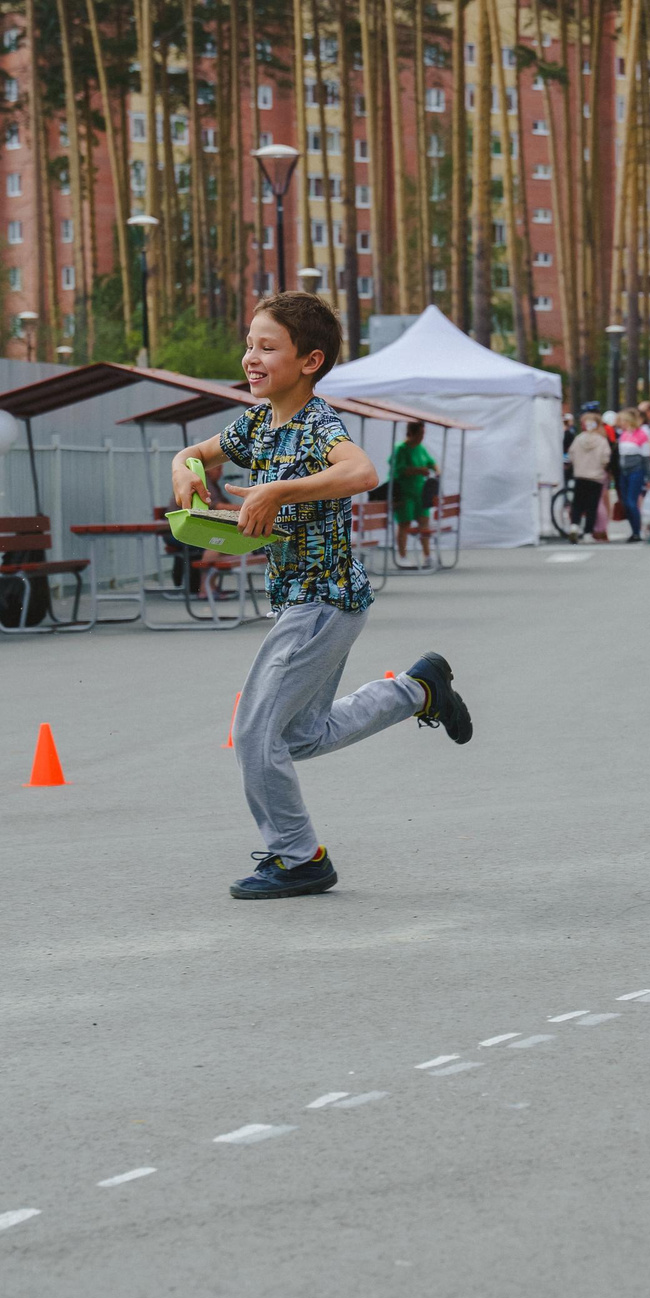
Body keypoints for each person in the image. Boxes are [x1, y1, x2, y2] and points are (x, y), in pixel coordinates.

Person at [168, 293, 473, 901]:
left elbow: (363, 473)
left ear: (309, 362)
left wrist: (278, 490)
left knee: (255, 733)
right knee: (299, 736)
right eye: (250, 344)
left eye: (267, 347)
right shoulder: (256, 424)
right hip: (305, 602)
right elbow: (195, 453)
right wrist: (185, 469)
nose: (251, 357)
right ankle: (417, 690)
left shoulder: (317, 423)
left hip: (321, 599)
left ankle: (299, 856)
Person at [389, 420, 438, 566]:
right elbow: (399, 470)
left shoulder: (420, 448)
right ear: (412, 433)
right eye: (420, 434)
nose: (422, 437)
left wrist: (437, 470)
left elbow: (430, 462)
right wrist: (419, 470)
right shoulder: (401, 448)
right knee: (405, 523)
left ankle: (427, 555)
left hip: (420, 492)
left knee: (424, 521)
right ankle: (402, 555)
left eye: (423, 434)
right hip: (404, 492)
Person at [567, 412, 612, 543]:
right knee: (592, 506)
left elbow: (571, 455)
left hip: (580, 475)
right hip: (596, 477)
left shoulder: (578, 439)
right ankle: (588, 532)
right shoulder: (602, 441)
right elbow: (605, 458)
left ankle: (574, 526)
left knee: (577, 504)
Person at [616, 408, 650, 542]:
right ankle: (633, 530)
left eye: (622, 420)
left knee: (631, 502)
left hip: (636, 471)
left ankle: (637, 531)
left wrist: (648, 478)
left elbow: (646, 459)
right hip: (624, 471)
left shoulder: (641, 435)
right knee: (626, 503)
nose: (620, 423)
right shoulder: (623, 435)